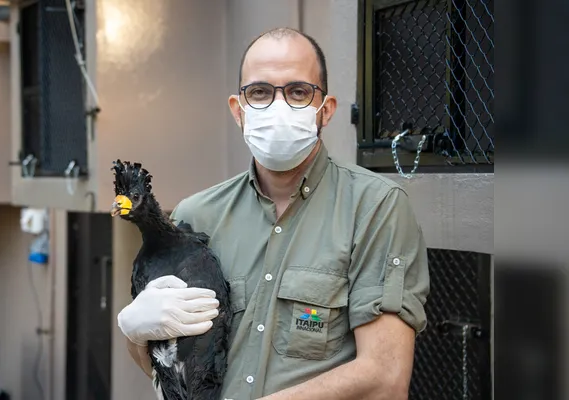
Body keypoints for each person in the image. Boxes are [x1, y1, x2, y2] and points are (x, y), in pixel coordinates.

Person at [117, 27, 430, 400]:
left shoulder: (374, 207)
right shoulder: (196, 217)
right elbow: (170, 368)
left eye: (298, 92)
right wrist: (136, 335)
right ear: (239, 111)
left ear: (325, 110)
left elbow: (384, 378)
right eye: (260, 92)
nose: (278, 107)